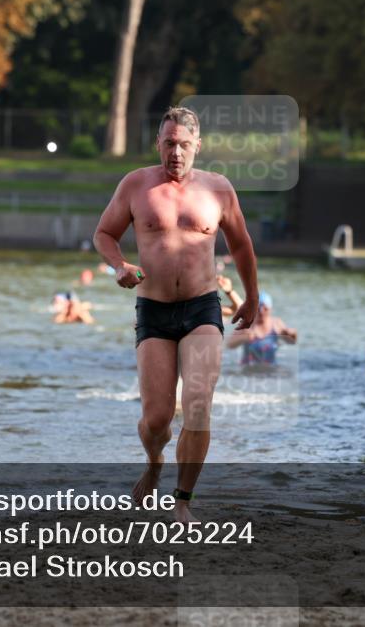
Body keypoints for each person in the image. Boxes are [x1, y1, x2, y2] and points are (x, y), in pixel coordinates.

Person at [93, 106, 259, 524]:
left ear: (197, 146)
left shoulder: (218, 189)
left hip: (203, 307)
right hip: (153, 308)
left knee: (199, 404)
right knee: (157, 419)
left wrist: (251, 297)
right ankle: (154, 463)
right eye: (169, 144)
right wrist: (120, 266)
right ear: (158, 144)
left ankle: (182, 501)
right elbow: (104, 233)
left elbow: (240, 245)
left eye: (185, 145)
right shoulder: (136, 185)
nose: (177, 153)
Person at [225, 289, 297, 365]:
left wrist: (292, 334)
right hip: (248, 370)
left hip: (270, 369)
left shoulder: (276, 323)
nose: (261, 311)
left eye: (265, 308)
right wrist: (243, 338)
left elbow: (292, 342)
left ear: (270, 309)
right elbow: (229, 344)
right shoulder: (246, 324)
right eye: (258, 308)